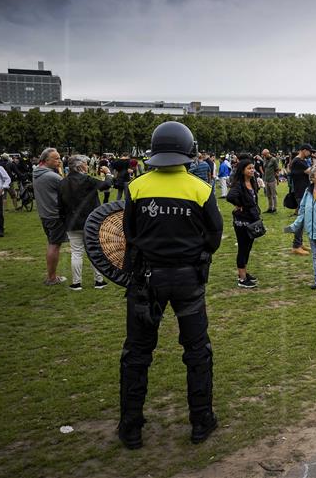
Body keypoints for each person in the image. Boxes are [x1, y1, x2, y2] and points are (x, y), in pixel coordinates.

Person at [119, 121, 223, 449]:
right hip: (187, 279)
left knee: (136, 352)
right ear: (188, 150)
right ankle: (201, 420)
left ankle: (131, 426)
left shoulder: (137, 187)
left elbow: (129, 231)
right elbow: (214, 234)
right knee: (197, 350)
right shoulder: (200, 188)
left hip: (145, 279)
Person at [58, 155, 113, 290]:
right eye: (86, 164)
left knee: (76, 252)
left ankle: (77, 283)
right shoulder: (87, 180)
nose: (87, 166)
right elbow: (106, 184)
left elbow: (60, 206)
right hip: (91, 221)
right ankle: (98, 281)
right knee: (94, 251)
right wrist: (108, 173)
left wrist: (64, 221)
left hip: (72, 222)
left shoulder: (62, 183)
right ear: (80, 166)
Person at [33, 148, 68, 285]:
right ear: (46, 160)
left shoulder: (36, 172)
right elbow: (68, 191)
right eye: (56, 158)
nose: (59, 161)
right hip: (55, 216)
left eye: (59, 158)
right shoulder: (52, 177)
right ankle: (52, 278)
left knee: (51, 244)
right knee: (54, 245)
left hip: (44, 214)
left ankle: (51, 275)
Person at [228, 156, 262, 288]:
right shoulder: (239, 184)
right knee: (242, 248)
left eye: (253, 168)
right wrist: (239, 204)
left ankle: (244, 272)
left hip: (252, 219)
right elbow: (230, 196)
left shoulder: (252, 182)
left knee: (248, 248)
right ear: (242, 170)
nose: (252, 170)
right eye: (249, 168)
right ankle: (242, 279)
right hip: (242, 221)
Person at [290, 144, 313, 255]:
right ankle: (296, 245)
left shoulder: (301, 161)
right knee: (301, 219)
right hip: (301, 193)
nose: (310, 154)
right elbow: (311, 172)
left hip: (303, 191)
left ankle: (299, 243)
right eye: (309, 152)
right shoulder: (298, 162)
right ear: (304, 151)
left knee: (302, 219)